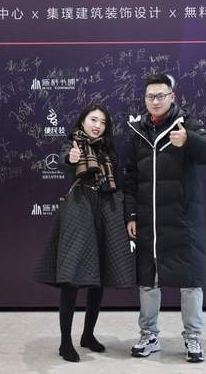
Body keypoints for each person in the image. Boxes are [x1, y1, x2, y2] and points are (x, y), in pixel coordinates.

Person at [123, 74, 206, 363]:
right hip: (149, 221)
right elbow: (130, 177)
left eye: (160, 96)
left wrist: (188, 140)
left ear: (172, 97)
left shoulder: (187, 124)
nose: (155, 101)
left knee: (190, 281)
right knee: (148, 280)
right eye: (150, 96)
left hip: (182, 219)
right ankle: (149, 335)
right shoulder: (137, 132)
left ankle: (193, 337)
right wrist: (131, 214)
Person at [35, 104, 135, 362]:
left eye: (102, 122)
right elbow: (65, 160)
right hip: (79, 210)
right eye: (93, 120)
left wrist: (125, 216)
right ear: (82, 122)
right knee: (71, 278)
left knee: (98, 278)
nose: (98, 125)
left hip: (106, 210)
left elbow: (118, 183)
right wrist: (71, 158)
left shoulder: (108, 149)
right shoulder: (73, 144)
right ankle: (65, 342)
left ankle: (88, 335)